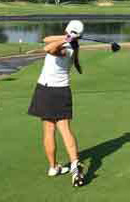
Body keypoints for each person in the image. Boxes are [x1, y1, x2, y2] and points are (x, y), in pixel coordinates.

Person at [28, 20, 89, 187]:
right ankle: (66, 165)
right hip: (59, 91)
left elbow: (47, 48)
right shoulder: (73, 45)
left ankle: (62, 167)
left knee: (54, 129)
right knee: (60, 129)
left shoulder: (65, 48)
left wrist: (66, 40)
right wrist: (69, 37)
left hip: (49, 91)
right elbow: (46, 38)